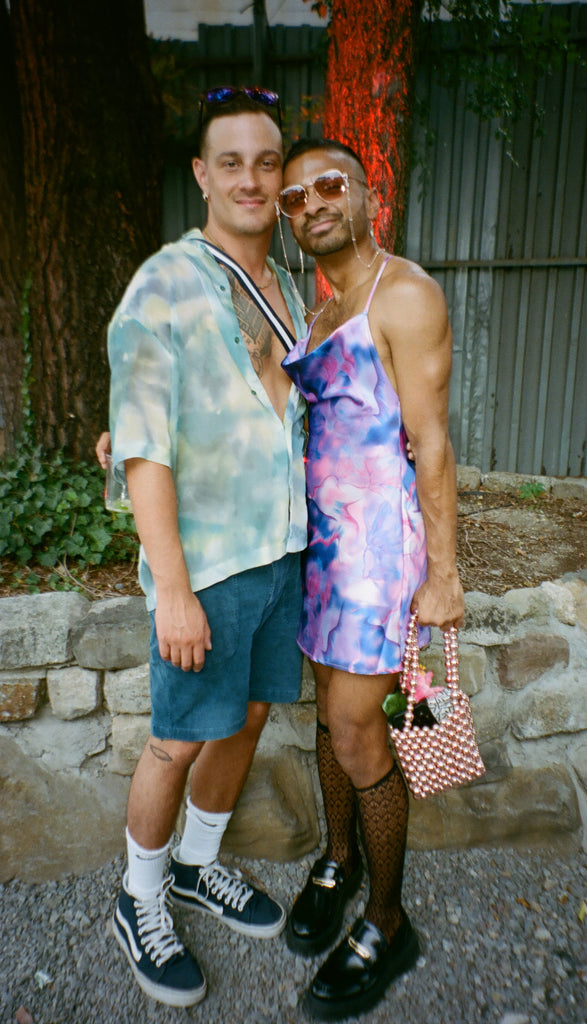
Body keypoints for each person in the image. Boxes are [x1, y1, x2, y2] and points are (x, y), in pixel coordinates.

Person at [106, 87, 308, 1008]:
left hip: (279, 557)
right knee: (177, 740)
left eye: (266, 162)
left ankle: (195, 865)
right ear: (201, 174)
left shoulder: (286, 288)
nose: (251, 179)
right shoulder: (166, 283)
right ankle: (138, 896)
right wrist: (174, 591)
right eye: (231, 161)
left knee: (250, 719)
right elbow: (143, 443)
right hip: (208, 567)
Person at [278, 139, 465, 1020]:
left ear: (366, 194)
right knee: (329, 714)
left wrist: (444, 573)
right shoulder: (317, 313)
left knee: (359, 733)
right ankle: (338, 860)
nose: (311, 203)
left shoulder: (405, 293)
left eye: (328, 185)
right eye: (293, 198)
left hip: (376, 557)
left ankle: (388, 923)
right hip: (320, 550)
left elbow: (429, 441)